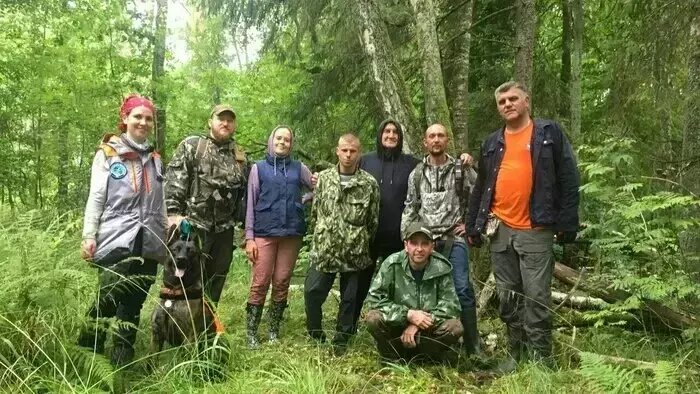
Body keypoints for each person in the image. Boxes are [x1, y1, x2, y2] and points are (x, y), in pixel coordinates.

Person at [466, 81, 580, 371]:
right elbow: (481, 186)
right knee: (507, 297)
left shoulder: (548, 134)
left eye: (513, 98)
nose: (507, 104)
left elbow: (568, 177)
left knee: (537, 297)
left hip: (536, 229)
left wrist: (567, 222)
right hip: (500, 229)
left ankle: (541, 360)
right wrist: (473, 225)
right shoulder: (492, 143)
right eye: (502, 101)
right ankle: (516, 355)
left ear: (526, 101)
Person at [77, 94, 167, 367]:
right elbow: (96, 197)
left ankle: (121, 362)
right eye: (137, 116)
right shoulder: (108, 154)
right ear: (125, 119)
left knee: (134, 303)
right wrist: (89, 236)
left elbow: (160, 202)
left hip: (149, 241)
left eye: (148, 118)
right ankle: (87, 356)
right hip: (116, 239)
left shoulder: (155, 158)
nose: (143, 122)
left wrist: (167, 234)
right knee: (107, 299)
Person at [401, 123, 480, 357]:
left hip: (453, 238)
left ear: (447, 140)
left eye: (440, 136)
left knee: (462, 289)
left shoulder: (461, 169)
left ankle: (473, 346)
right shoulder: (417, 173)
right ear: (425, 142)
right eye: (431, 136)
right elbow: (410, 206)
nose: (436, 139)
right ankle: (436, 343)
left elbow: (479, 197)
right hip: (424, 241)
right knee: (425, 290)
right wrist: (406, 239)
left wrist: (471, 226)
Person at [164, 104, 248, 305]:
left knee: (215, 282)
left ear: (234, 125)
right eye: (221, 119)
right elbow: (175, 181)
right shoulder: (193, 146)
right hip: (192, 227)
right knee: (181, 278)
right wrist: (174, 214)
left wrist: (246, 227)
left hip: (224, 231)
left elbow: (244, 194)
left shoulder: (240, 155)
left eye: (230, 120)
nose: (225, 123)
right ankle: (174, 327)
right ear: (211, 122)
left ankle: (206, 328)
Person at [304, 133, 379, 356]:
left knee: (350, 299)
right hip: (325, 249)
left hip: (354, 251)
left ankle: (342, 340)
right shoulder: (324, 179)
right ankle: (316, 333)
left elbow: (373, 221)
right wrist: (320, 237)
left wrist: (359, 240)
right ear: (337, 151)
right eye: (344, 150)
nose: (348, 155)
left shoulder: (368, 183)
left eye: (352, 151)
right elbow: (316, 213)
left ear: (359, 153)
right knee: (311, 292)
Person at [243, 125, 315, 348]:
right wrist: (249, 237)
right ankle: (252, 333)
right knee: (260, 282)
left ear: (291, 144)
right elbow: (250, 204)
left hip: (291, 233)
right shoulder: (259, 168)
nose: (282, 142)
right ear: (271, 140)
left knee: (282, 281)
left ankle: (273, 330)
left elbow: (316, 186)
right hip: (264, 233)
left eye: (287, 139)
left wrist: (301, 201)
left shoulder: (298, 168)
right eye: (279, 138)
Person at [364, 222, 463, 364]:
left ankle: (426, 357)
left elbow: (451, 306)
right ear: (406, 245)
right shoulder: (392, 264)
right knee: (373, 318)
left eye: (425, 244)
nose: (419, 249)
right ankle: (391, 357)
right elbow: (373, 300)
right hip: (396, 328)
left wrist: (417, 324)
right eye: (414, 243)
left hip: (426, 332)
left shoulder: (442, 268)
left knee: (456, 327)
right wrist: (408, 315)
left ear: (432, 246)